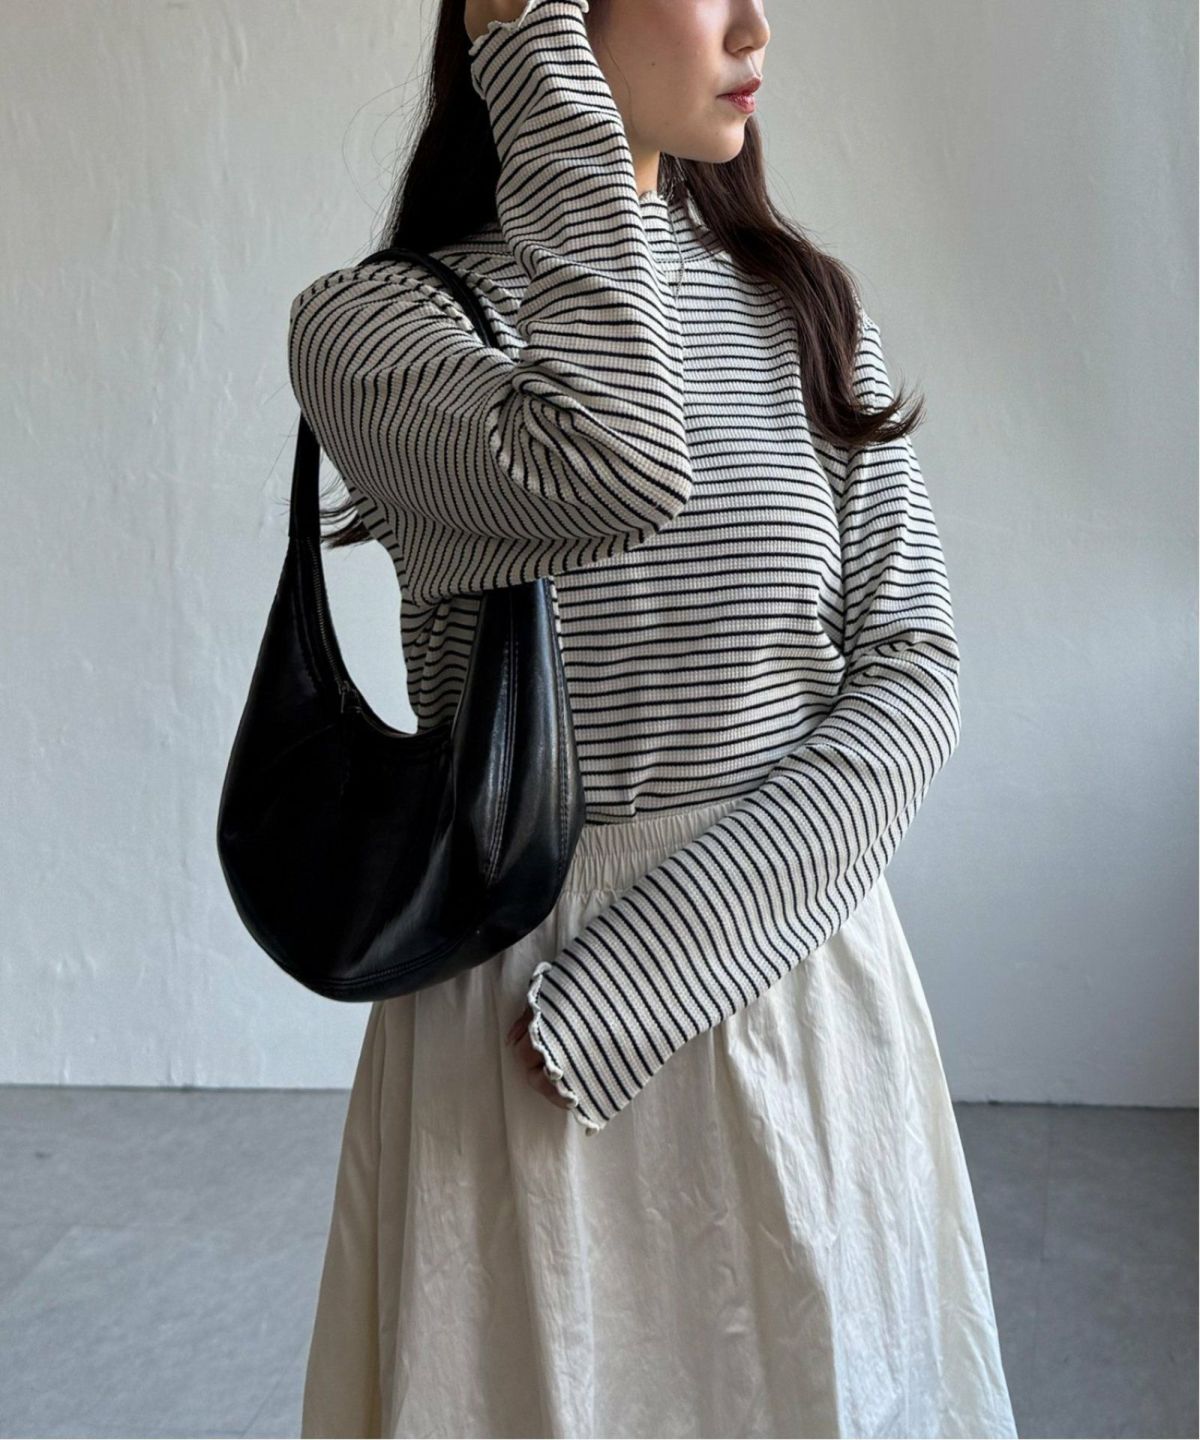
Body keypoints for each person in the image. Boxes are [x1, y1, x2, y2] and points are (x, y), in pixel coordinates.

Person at [287, 0, 1018, 1434]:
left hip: (788, 976)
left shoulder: (804, 306)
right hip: (523, 1018)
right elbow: (616, 463)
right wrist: (531, 77)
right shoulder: (378, 326)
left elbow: (913, 663)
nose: (755, 24)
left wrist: (659, 968)